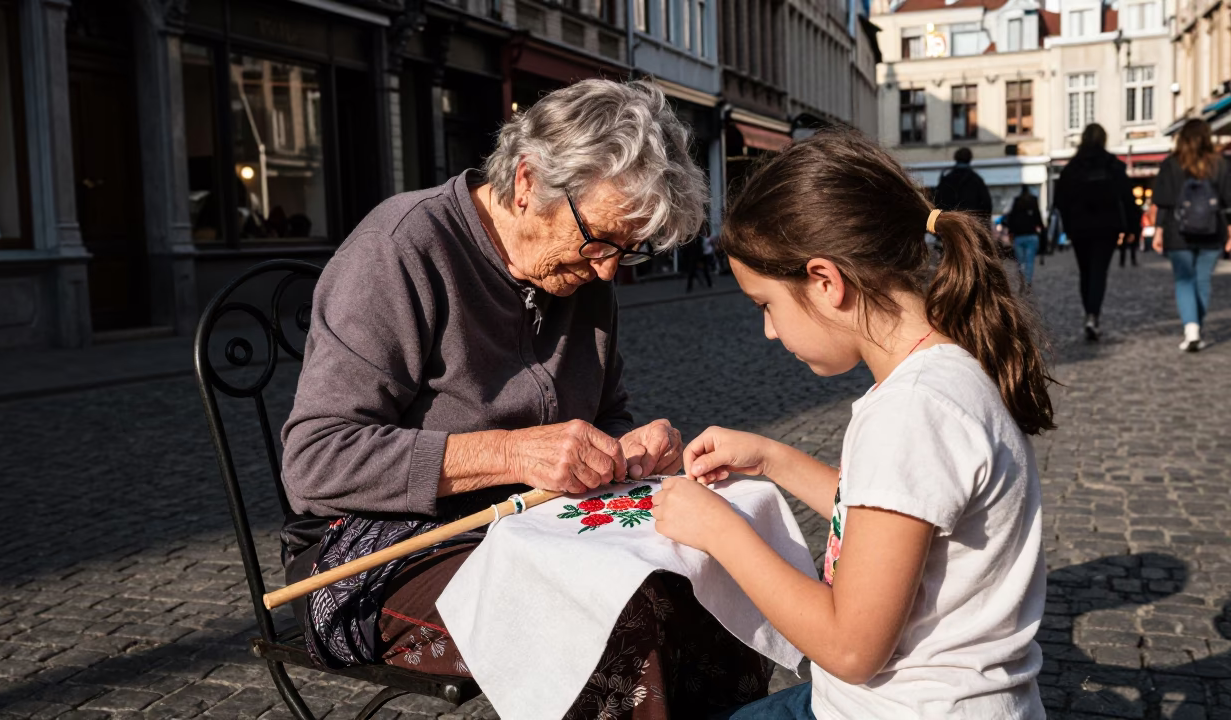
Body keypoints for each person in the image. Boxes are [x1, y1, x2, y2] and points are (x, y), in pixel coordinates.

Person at [280, 80, 771, 718]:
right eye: (600, 241)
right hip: (372, 553)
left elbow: (604, 412)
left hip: (530, 526)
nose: (606, 271)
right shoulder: (402, 248)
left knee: (703, 573)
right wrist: (514, 453)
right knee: (613, 620)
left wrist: (622, 449)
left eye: (630, 252)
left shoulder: (583, 267)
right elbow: (316, 460)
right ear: (526, 181)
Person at [651, 129, 1053, 720]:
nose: (768, 331)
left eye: (767, 305)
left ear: (825, 281)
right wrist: (772, 459)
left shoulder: (911, 412)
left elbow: (851, 647)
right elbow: (887, 516)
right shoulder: (941, 369)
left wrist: (719, 530)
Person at [1053, 123, 1141, 341]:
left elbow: (1060, 201)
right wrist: (1132, 227)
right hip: (1106, 226)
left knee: (1086, 272)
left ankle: (1089, 313)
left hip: (1080, 226)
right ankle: (1093, 315)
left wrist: (1068, 226)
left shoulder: (1072, 167)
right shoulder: (1112, 165)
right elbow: (1128, 199)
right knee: (1098, 271)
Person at [1152, 119, 1231, 351]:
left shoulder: (1171, 164)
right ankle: (1197, 327)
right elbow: (1228, 202)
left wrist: (1159, 231)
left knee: (1184, 281)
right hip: (1213, 230)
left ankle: (1191, 328)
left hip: (1178, 233)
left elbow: (1163, 203)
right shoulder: (1221, 164)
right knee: (1203, 280)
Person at [933, 147, 993, 221]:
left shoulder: (946, 180)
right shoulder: (976, 180)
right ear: (970, 159)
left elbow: (937, 203)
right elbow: (986, 205)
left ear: (956, 158)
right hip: (971, 224)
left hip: (950, 224)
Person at [1002, 186, 1045, 286]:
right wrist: (1042, 231)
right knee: (1029, 261)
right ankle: (1028, 281)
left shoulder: (1017, 202)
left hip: (1019, 237)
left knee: (1020, 262)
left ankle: (1022, 280)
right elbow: (1038, 218)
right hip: (1031, 235)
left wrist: (1010, 232)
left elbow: (1011, 219)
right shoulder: (1033, 201)